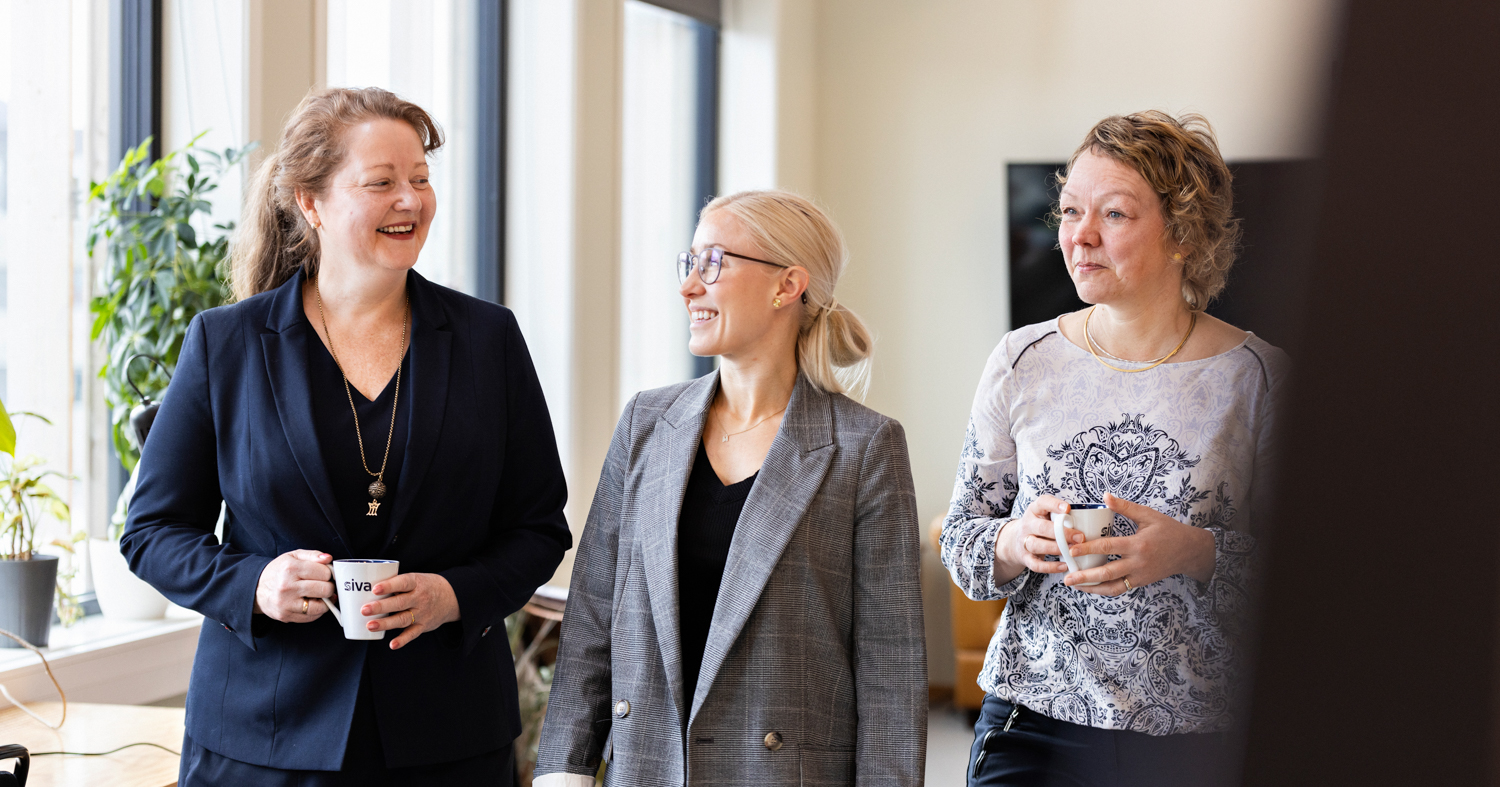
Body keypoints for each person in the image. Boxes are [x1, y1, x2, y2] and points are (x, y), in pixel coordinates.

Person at [121, 87, 571, 786]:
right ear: (311, 202)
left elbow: (539, 527)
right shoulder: (227, 344)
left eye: (420, 179)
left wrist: (455, 594)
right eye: (382, 182)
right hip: (261, 742)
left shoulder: (489, 340)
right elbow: (151, 529)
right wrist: (254, 583)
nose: (411, 200)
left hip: (447, 738)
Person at [940, 111, 1289, 787]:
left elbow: (1310, 580)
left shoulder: (1260, 377)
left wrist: (1194, 550)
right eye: (1070, 211)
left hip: (1198, 735)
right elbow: (961, 539)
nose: (1080, 236)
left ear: (1184, 232)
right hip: (1032, 722)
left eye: (1115, 215)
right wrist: (1016, 542)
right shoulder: (1020, 361)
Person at [534, 190, 926, 786]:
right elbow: (594, 613)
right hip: (645, 769)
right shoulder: (647, 422)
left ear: (786, 284)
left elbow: (890, 669)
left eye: (713, 262)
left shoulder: (864, 446)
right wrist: (564, 771)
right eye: (687, 263)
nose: (690, 285)